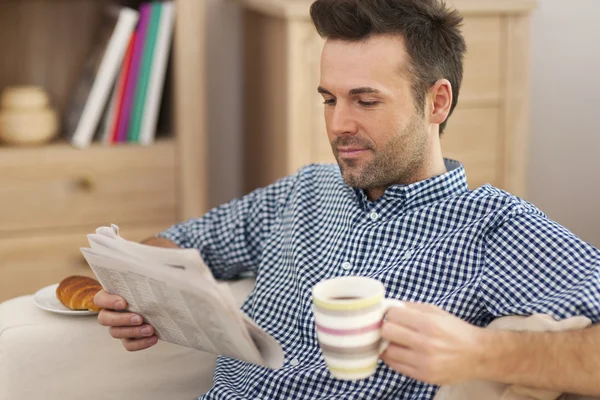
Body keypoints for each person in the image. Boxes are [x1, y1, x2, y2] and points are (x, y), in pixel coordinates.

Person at [94, 0, 600, 398]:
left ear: (437, 102)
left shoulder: (494, 226)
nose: (339, 125)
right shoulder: (305, 191)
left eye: (366, 100)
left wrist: (482, 353)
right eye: (329, 99)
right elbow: (176, 245)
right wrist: (136, 295)